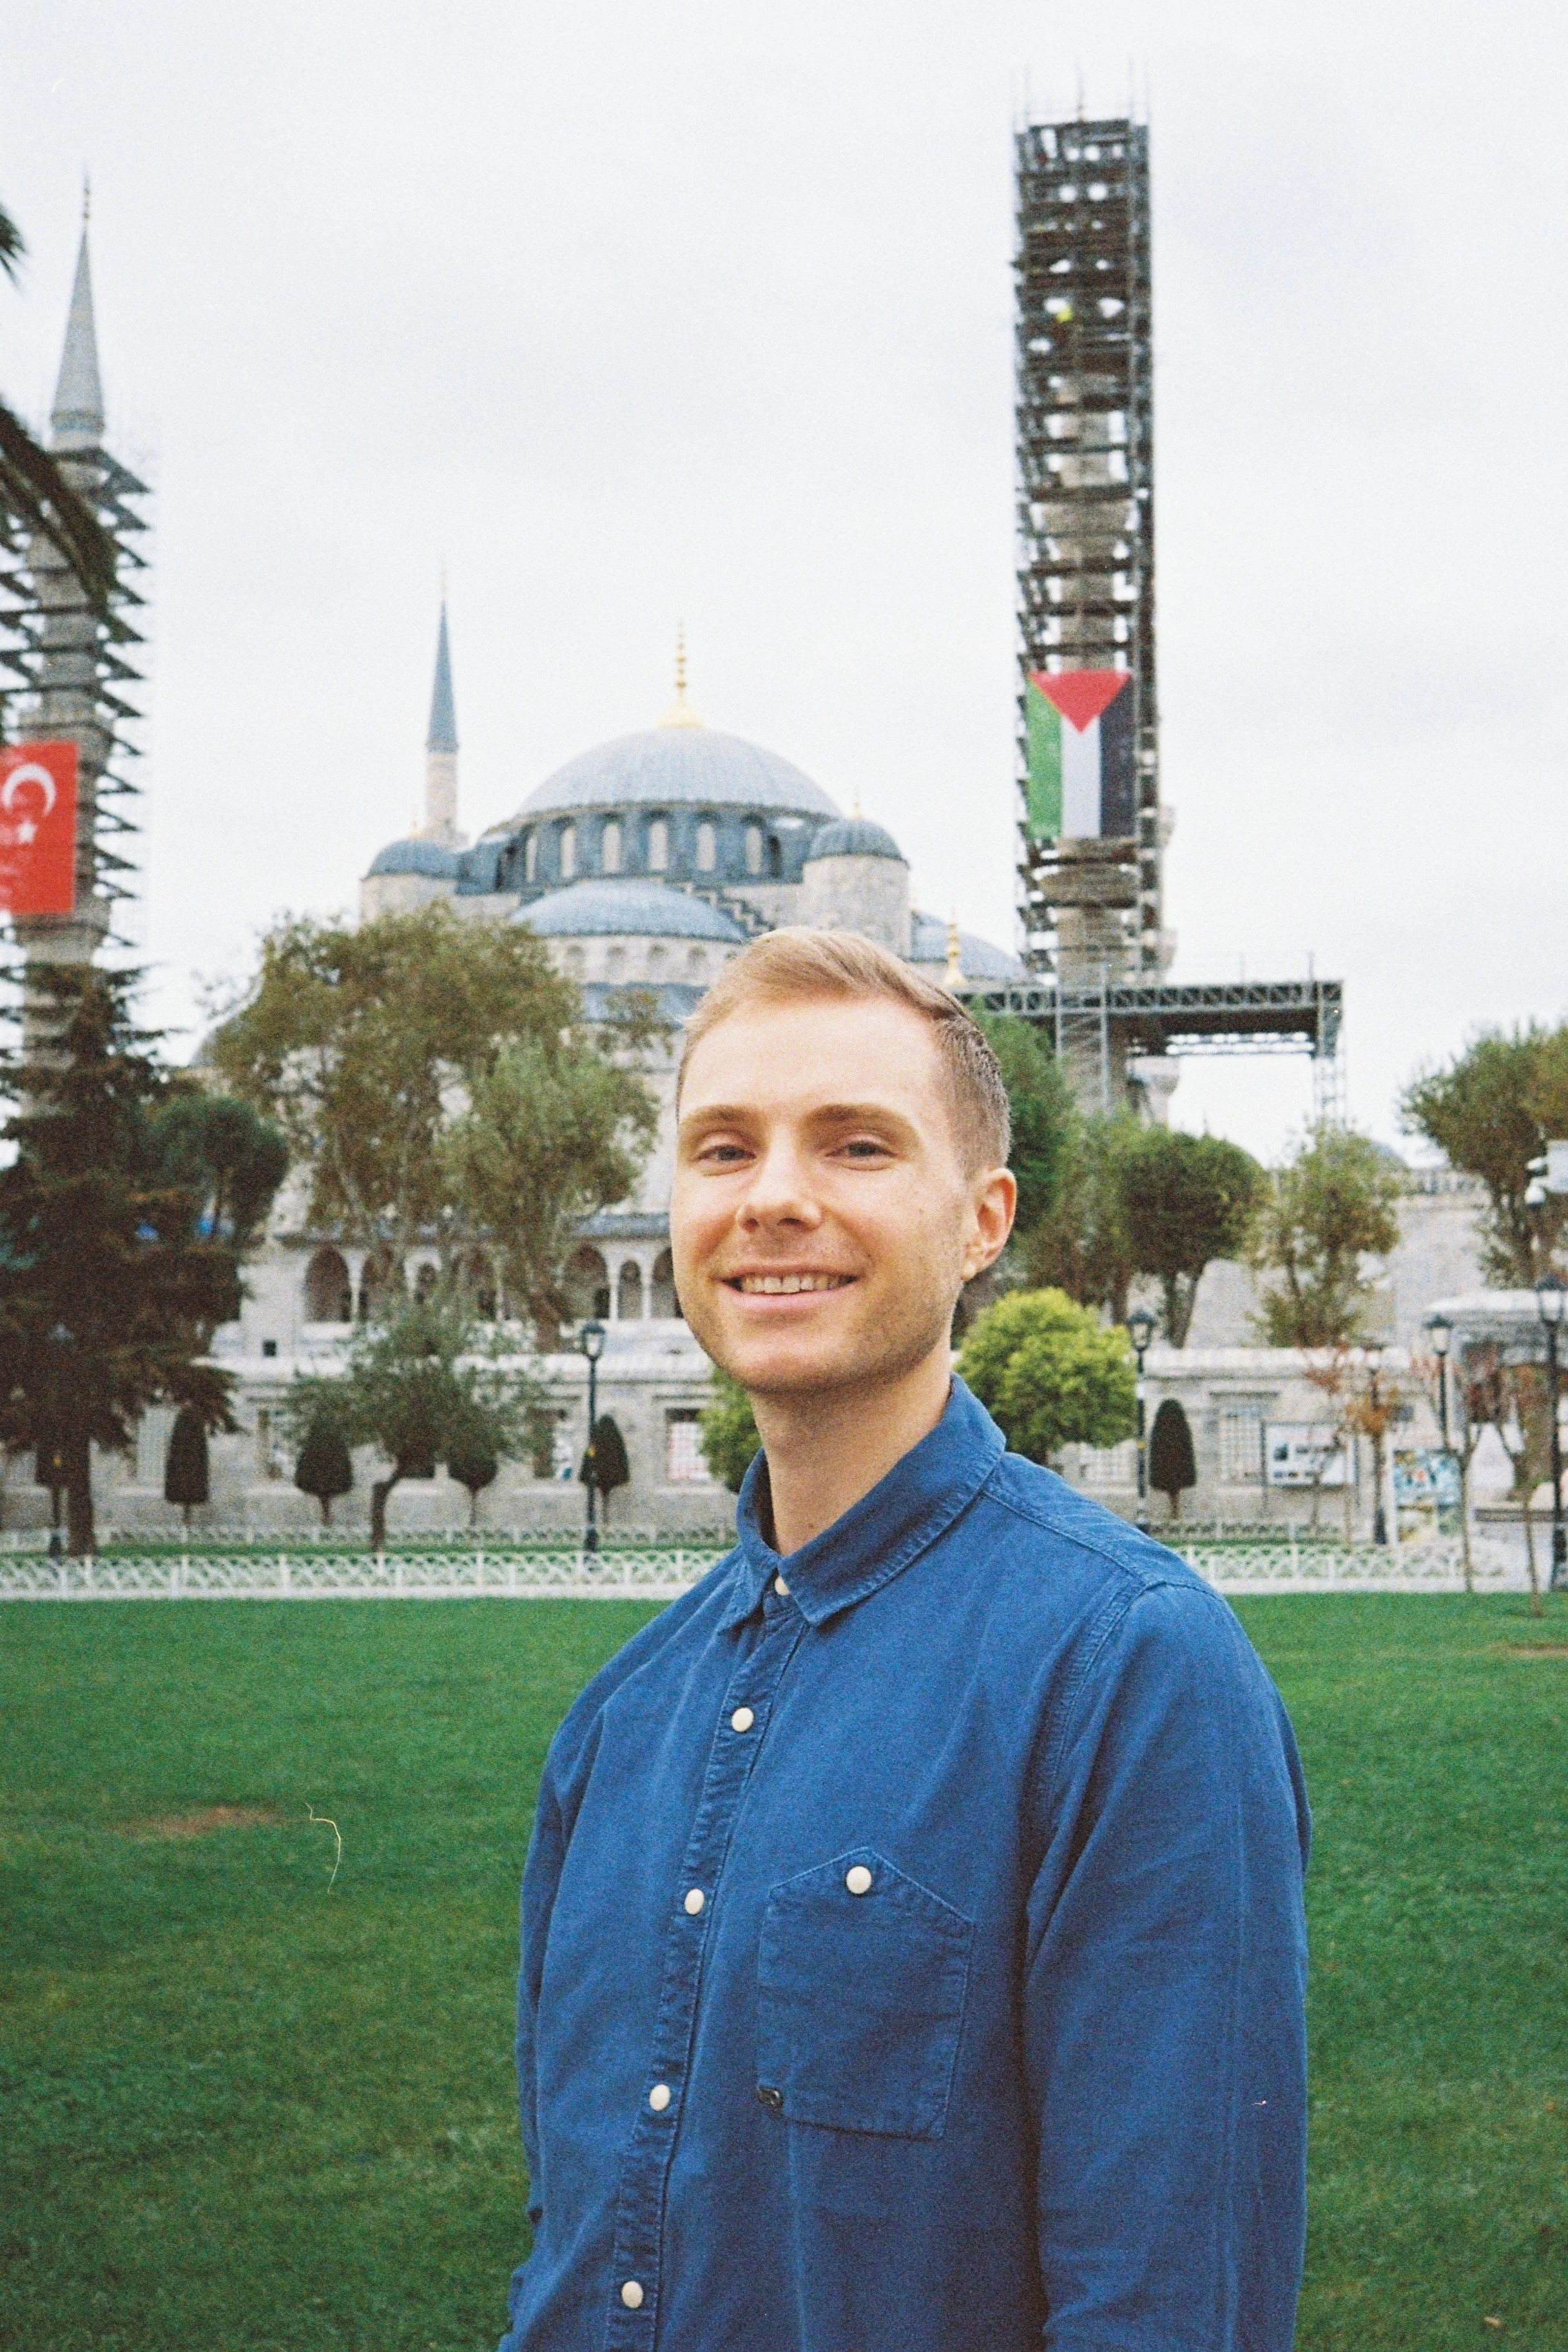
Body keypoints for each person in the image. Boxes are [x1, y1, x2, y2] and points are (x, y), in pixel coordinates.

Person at [497, 929, 1309, 2352]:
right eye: (723, 1150)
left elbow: (1169, 2305)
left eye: (856, 1147)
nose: (775, 1201)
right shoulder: (624, 1720)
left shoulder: (1126, 1671)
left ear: (982, 1220)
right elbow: (576, 2249)